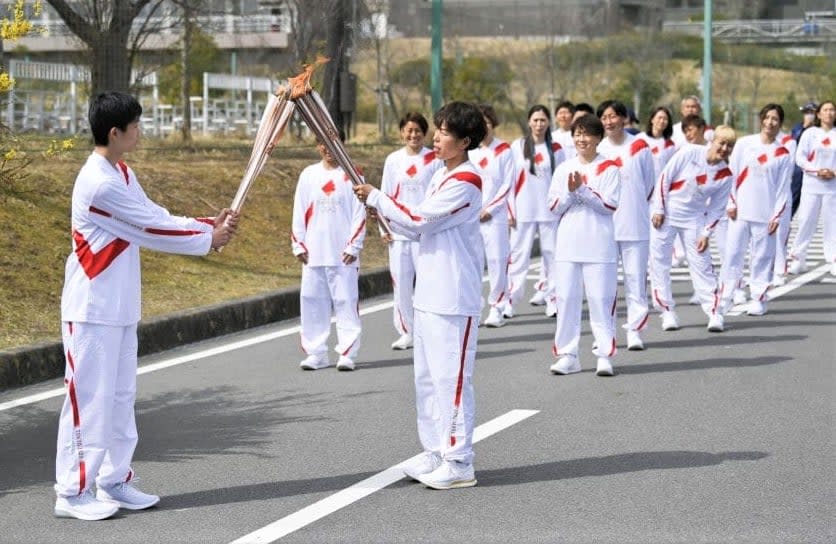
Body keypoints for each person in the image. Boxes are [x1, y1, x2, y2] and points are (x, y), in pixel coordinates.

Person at [55, 91, 238, 521]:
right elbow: (149, 227)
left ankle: (113, 480)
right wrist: (207, 240)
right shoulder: (98, 183)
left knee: (120, 398)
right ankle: (72, 490)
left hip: (119, 308)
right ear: (114, 133)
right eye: (135, 125)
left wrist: (206, 224)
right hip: (91, 310)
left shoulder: (121, 173)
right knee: (90, 400)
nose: (141, 131)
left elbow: (154, 212)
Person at [354, 101, 486, 490]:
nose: (436, 137)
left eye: (445, 133)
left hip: (454, 295)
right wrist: (382, 212)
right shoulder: (440, 175)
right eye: (438, 129)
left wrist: (379, 199)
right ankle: (434, 450)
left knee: (452, 380)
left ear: (465, 141)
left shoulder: (467, 181)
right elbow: (413, 229)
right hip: (428, 292)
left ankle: (460, 461)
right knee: (427, 378)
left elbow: (419, 219)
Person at [547, 114, 621, 377]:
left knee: (601, 299)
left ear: (598, 139)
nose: (581, 138)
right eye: (577, 134)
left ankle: (604, 355)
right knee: (566, 299)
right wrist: (571, 192)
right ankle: (568, 355)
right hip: (568, 244)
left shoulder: (609, 168)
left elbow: (609, 205)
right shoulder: (564, 168)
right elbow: (553, 207)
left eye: (587, 134)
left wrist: (582, 191)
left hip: (599, 245)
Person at [291, 130, 366, 371]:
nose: (326, 148)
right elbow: (298, 211)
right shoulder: (308, 175)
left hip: (343, 252)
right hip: (313, 252)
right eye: (321, 143)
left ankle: (347, 353)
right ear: (317, 146)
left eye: (331, 143)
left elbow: (360, 213)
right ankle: (316, 353)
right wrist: (298, 243)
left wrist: (354, 244)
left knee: (346, 301)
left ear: (340, 144)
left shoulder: (352, 174)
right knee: (312, 301)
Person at [649, 126, 736, 333]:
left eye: (729, 145)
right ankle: (667, 311)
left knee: (702, 265)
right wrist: (659, 208)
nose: (724, 148)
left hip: (694, 218)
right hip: (667, 214)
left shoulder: (726, 174)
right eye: (721, 142)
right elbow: (664, 178)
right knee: (659, 262)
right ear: (712, 140)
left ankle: (714, 312)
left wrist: (706, 233)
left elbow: (717, 208)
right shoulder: (689, 152)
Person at [717, 104, 792, 317]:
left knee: (761, 258)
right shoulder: (744, 144)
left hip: (765, 214)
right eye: (767, 117)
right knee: (732, 255)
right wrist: (731, 202)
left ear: (780, 123)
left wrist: (776, 215)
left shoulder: (782, 154)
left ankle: (759, 298)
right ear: (761, 119)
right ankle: (726, 297)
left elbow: (782, 188)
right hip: (740, 211)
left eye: (775, 119)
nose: (770, 122)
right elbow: (730, 174)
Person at [379, 112, 443, 349]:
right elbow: (384, 196)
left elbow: (438, 196)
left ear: (424, 133)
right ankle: (407, 331)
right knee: (401, 285)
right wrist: (383, 228)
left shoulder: (434, 159)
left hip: (424, 232)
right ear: (401, 133)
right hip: (398, 232)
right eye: (409, 130)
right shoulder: (393, 160)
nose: (413, 135)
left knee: (427, 283)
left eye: (417, 131)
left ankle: (430, 330)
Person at [596, 100, 655, 351]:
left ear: (623, 119)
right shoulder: (598, 149)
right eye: (604, 118)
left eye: (613, 117)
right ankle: (607, 333)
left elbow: (649, 184)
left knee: (635, 279)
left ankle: (635, 330)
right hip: (606, 226)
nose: (609, 122)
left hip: (635, 223)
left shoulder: (640, 146)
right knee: (606, 284)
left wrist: (638, 207)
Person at [505, 105, 565, 318]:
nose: (539, 124)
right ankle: (510, 300)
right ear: (529, 122)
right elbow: (509, 181)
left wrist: (561, 208)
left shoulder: (556, 149)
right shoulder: (517, 146)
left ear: (549, 123)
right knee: (518, 257)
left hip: (549, 212)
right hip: (523, 210)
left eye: (543, 120)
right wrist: (510, 210)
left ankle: (552, 298)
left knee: (552, 256)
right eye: (535, 120)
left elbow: (562, 181)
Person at [470, 104, 514, 327]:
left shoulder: (504, 151)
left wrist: (491, 209)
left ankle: (497, 306)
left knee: (497, 262)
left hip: (494, 217)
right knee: (473, 264)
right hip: (472, 218)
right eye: (480, 123)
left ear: (493, 124)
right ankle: (474, 308)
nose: (484, 127)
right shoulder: (471, 152)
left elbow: (507, 185)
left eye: (487, 123)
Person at [787, 100, 836, 276]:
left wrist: (833, 172)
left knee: (832, 224)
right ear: (819, 114)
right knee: (806, 222)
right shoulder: (810, 134)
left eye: (832, 110)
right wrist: (817, 171)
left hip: (832, 186)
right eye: (825, 110)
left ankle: (833, 259)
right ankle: (798, 259)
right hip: (812, 185)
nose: (829, 113)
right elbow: (800, 157)